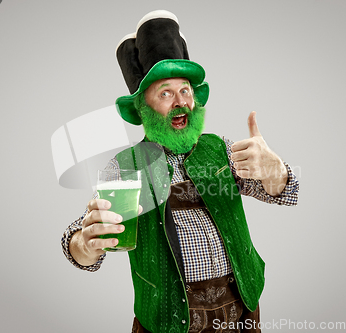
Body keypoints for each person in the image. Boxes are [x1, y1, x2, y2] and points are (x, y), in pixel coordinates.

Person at [61, 10, 299, 333]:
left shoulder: (221, 149)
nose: (180, 102)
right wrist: (86, 245)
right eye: (165, 93)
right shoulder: (128, 167)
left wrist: (277, 172)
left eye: (185, 90)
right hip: (170, 325)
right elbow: (82, 244)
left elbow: (284, 191)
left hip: (242, 315)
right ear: (144, 108)